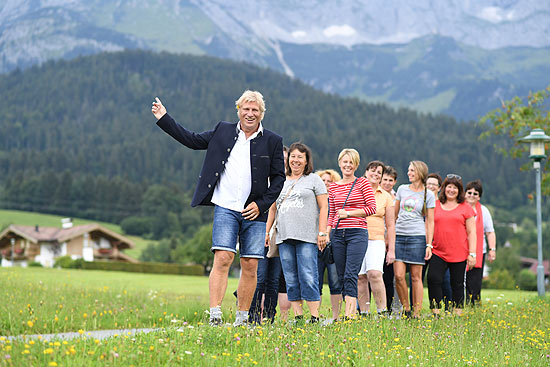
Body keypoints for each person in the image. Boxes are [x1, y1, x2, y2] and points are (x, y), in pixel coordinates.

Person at [151, 91, 285, 326]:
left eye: (255, 110)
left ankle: (242, 318)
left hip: (255, 211)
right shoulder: (222, 130)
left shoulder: (272, 140)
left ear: (262, 113)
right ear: (238, 110)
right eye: (246, 109)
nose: (250, 114)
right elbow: (192, 140)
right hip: (225, 206)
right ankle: (215, 315)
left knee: (250, 264)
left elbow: (278, 179)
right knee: (223, 258)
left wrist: (261, 204)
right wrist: (164, 118)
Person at [266, 142, 328, 323]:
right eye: (293, 156)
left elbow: (324, 207)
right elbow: (272, 209)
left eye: (300, 157)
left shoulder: (314, 179)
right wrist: (267, 231)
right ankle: (299, 317)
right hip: (284, 236)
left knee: (308, 276)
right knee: (291, 277)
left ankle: (315, 317)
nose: (296, 160)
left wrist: (322, 232)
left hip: (307, 236)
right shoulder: (280, 180)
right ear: (288, 159)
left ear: (307, 160)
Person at [327, 149, 376, 319]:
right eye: (345, 162)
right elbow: (332, 213)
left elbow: (371, 208)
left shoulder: (362, 183)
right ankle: (349, 312)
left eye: (351, 162)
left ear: (356, 165)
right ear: (339, 163)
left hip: (357, 233)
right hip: (337, 234)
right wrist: (327, 234)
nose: (347, 165)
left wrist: (349, 213)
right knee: (341, 275)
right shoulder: (333, 187)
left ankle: (350, 315)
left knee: (350, 273)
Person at [427, 174, 477, 316]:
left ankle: (457, 314)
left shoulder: (465, 208)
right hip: (438, 251)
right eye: (449, 186)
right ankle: (435, 312)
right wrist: (428, 245)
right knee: (433, 279)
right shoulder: (435, 205)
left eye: (455, 188)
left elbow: (472, 232)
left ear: (459, 190)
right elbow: (428, 224)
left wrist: (472, 254)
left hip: (459, 253)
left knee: (457, 284)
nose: (451, 190)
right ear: (444, 188)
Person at [394, 161, 435, 318]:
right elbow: (395, 214)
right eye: (408, 170)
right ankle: (406, 309)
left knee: (416, 277)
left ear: (419, 172)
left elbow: (430, 221)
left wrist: (429, 244)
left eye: (412, 170)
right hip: (399, 236)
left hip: (417, 237)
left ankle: (416, 313)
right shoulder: (402, 189)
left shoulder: (428, 194)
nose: (409, 172)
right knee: (398, 276)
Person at [358, 161, 395, 317]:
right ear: (366, 172)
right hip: (357, 238)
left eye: (379, 172)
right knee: (360, 277)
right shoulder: (357, 191)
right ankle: (364, 312)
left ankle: (382, 311)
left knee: (374, 273)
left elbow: (391, 225)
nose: (375, 174)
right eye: (372, 171)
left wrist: (391, 250)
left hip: (376, 239)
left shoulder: (386, 196)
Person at [316, 169, 343, 321]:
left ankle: (336, 317)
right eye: (323, 181)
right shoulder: (314, 199)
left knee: (335, 282)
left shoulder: (337, 199)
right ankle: (316, 316)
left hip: (333, 244)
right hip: (315, 244)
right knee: (316, 281)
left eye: (329, 181)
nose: (326, 184)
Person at [464, 180, 496, 306]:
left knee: (475, 282)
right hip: (459, 250)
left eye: (475, 193)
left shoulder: (484, 211)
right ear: (465, 193)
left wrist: (492, 249)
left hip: (478, 251)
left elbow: (490, 232)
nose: (472, 195)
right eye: (469, 192)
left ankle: (474, 306)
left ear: (479, 197)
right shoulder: (458, 207)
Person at [424, 173, 452, 309]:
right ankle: (414, 308)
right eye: (428, 184)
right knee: (417, 277)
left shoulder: (441, 204)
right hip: (422, 243)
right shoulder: (420, 201)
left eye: (433, 184)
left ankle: (448, 306)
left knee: (444, 279)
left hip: (439, 245)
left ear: (439, 188)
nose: (430, 186)